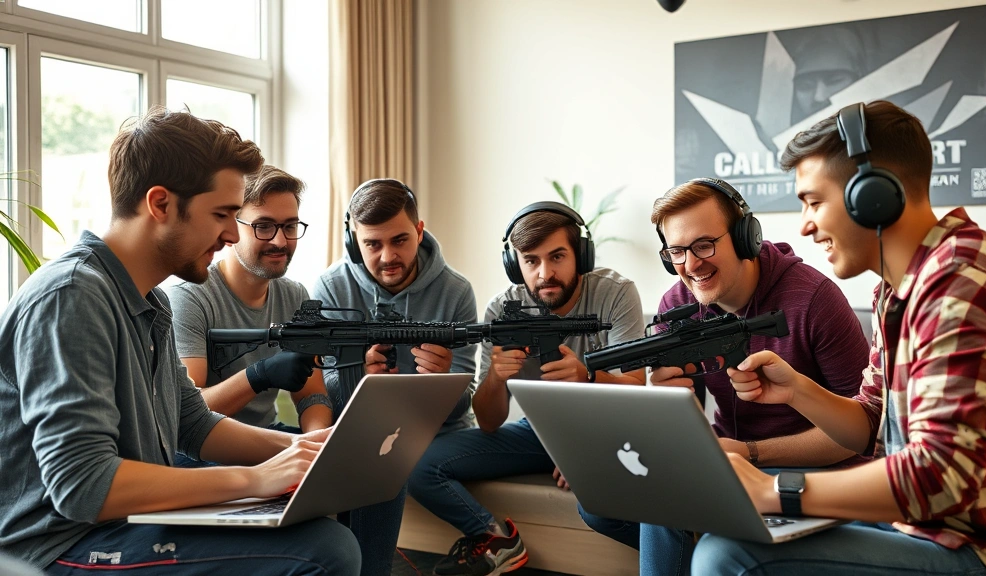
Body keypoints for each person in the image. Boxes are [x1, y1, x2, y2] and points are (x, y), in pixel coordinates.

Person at [0, 106, 360, 574]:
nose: (233, 234)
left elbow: (193, 423)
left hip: (121, 523)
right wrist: (255, 479)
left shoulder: (150, 301)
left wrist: (304, 450)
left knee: (327, 525)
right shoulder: (72, 297)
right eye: (222, 215)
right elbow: (83, 485)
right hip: (56, 543)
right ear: (161, 204)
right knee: (325, 550)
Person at [692, 100, 986, 575]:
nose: (805, 224)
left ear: (872, 195)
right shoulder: (900, 288)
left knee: (728, 555)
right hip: (917, 527)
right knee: (721, 523)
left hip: (980, 551)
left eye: (813, 201)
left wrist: (774, 490)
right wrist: (798, 390)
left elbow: (940, 477)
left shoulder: (963, 282)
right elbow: (871, 424)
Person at [577, 177, 871, 575]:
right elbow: (684, 435)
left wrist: (748, 452)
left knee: (667, 504)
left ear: (745, 237)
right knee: (598, 500)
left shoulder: (815, 300)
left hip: (812, 475)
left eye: (704, 245)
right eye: (677, 251)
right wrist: (665, 404)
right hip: (725, 465)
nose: (691, 265)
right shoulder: (677, 305)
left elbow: (861, 436)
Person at [407, 202, 647, 576]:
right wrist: (497, 379)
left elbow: (637, 392)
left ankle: (684, 547)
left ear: (581, 255)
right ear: (513, 263)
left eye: (557, 257)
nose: (545, 273)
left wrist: (588, 384)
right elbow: (487, 422)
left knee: (597, 502)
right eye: (531, 261)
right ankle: (495, 539)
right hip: (537, 433)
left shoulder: (615, 294)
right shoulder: (502, 308)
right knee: (420, 464)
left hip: (606, 431)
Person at [311, 178, 478, 576]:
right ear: (354, 240)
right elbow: (321, 392)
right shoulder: (331, 289)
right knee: (371, 454)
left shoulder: (456, 291)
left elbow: (462, 404)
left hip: (438, 433)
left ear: (419, 231)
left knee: (383, 459)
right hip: (361, 431)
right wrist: (354, 377)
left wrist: (441, 383)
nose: (388, 255)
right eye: (372, 244)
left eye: (400, 240)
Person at [168, 164, 333, 461]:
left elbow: (312, 393)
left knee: (371, 461)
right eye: (264, 226)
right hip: (201, 449)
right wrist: (259, 375)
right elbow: (187, 415)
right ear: (232, 227)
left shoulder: (295, 296)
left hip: (266, 435)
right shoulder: (190, 298)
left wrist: (315, 441)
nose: (280, 241)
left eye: (290, 226)